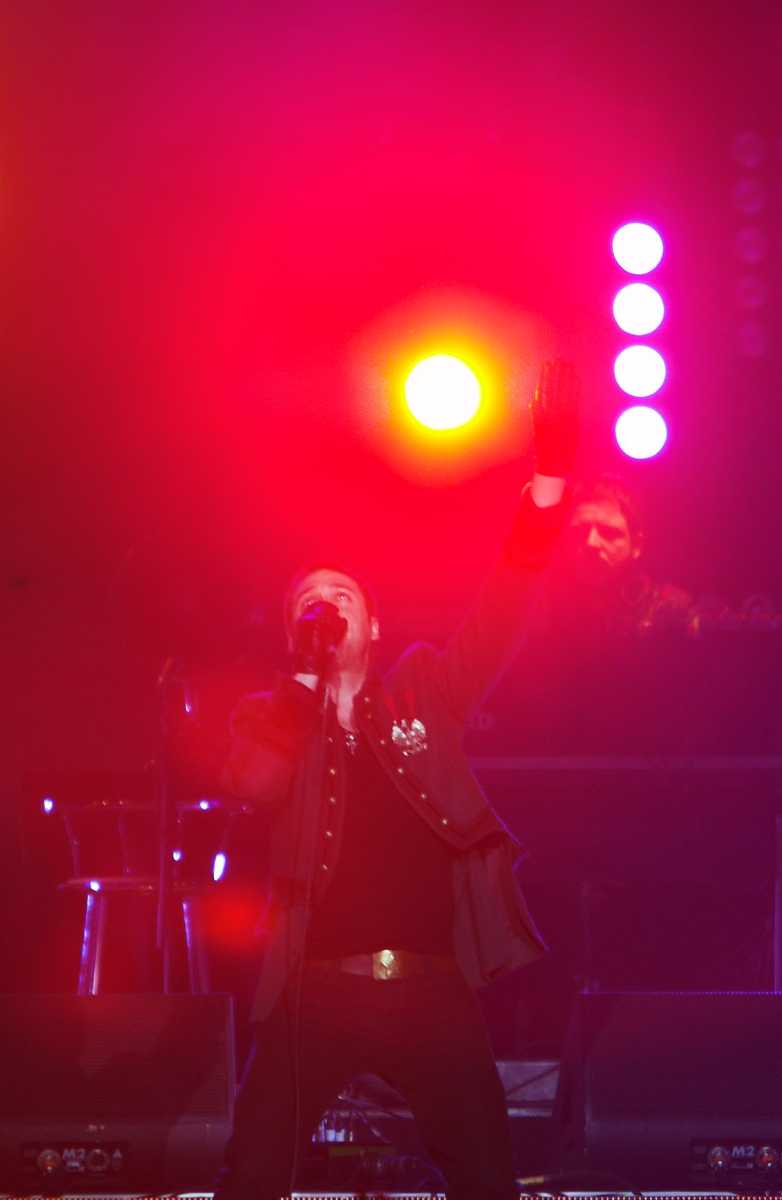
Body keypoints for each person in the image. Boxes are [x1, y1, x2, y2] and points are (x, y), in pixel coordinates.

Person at [211, 359, 579, 1200]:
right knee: (253, 1175)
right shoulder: (274, 717)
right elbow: (254, 785)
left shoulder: (424, 691)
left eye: (341, 595)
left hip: (432, 991)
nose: (327, 605)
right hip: (314, 994)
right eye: (310, 601)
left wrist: (550, 481)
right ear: (295, 632)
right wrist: (303, 687)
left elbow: (505, 604)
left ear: (372, 624)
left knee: (488, 1182)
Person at [550, 473, 695, 636]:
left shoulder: (676, 611)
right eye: (579, 532)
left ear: (637, 545)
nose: (591, 543)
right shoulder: (542, 607)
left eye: (608, 533)